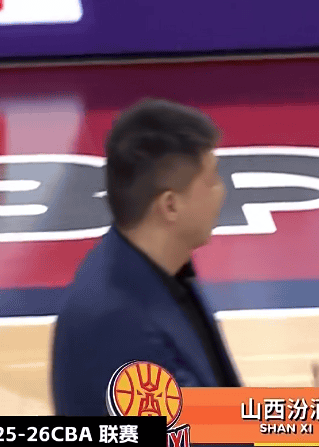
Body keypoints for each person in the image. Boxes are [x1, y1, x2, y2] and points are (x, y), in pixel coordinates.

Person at [51, 99, 242, 415]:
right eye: (211, 181)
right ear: (170, 206)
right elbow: (196, 429)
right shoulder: (119, 326)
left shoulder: (159, 267)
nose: (221, 192)